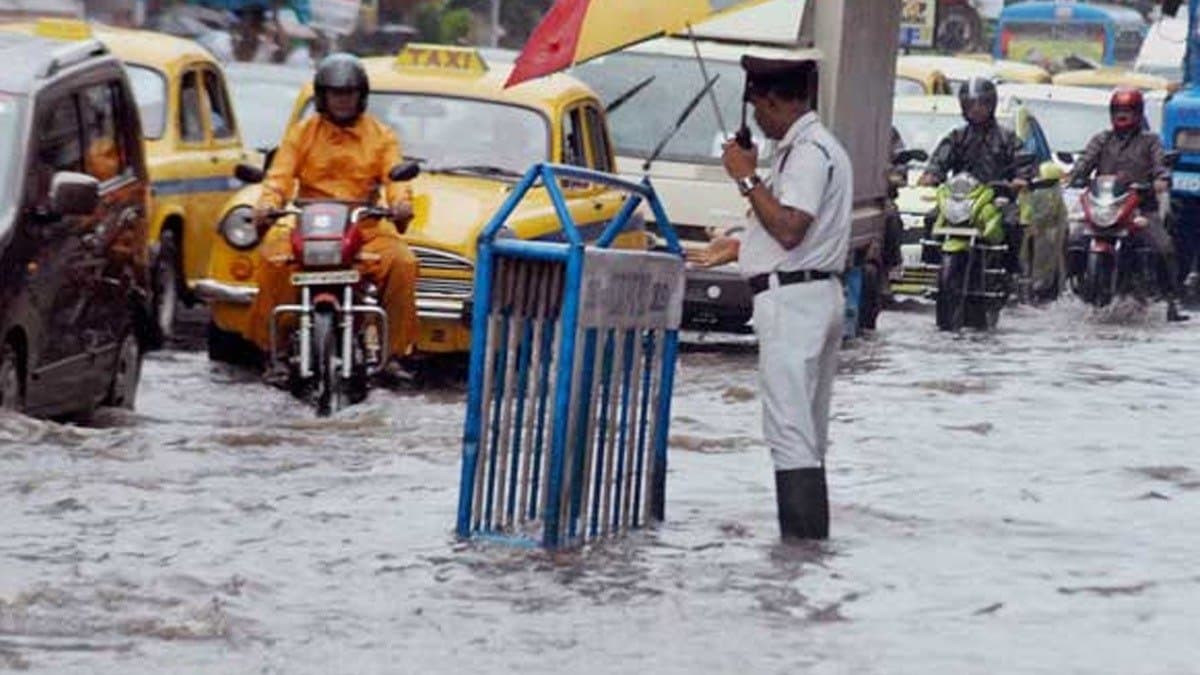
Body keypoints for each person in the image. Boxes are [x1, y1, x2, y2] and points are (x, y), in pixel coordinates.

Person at [690, 56, 852, 542]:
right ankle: (810, 555)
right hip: (810, 294)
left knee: (790, 435)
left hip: (794, 303)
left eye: (759, 108)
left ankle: (798, 555)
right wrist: (741, 245)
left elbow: (789, 228)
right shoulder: (811, 148)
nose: (757, 120)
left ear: (776, 101)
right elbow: (793, 233)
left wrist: (745, 177)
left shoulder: (808, 153)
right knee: (807, 435)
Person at [248, 53, 421, 383]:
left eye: (349, 93)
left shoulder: (381, 135)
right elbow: (279, 178)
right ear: (322, 96)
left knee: (403, 263)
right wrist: (268, 204)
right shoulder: (301, 133)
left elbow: (396, 177)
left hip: (364, 227)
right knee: (272, 260)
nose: (343, 100)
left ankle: (393, 353)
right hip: (309, 227)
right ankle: (275, 352)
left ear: (361, 96)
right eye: (335, 93)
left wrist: (400, 204)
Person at [1067, 87, 1189, 322]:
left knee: (1163, 247)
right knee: (1074, 240)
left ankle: (1171, 302)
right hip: (1103, 208)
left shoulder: (1150, 141)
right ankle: (1072, 288)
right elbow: (1084, 162)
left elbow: (1160, 164)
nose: (1122, 116)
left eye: (1128, 111)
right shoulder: (1102, 139)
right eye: (1118, 111)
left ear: (1138, 113)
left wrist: (1161, 179)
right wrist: (1074, 176)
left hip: (1140, 208)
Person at [919, 77, 1032, 272]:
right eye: (971, 104)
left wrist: (1020, 179)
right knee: (932, 218)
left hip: (996, 199)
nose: (976, 109)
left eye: (982, 104)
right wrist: (932, 174)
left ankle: (1012, 273)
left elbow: (1023, 161)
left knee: (1012, 223)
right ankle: (931, 268)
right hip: (961, 200)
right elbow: (939, 160)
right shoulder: (956, 137)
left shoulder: (1007, 138)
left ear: (992, 105)